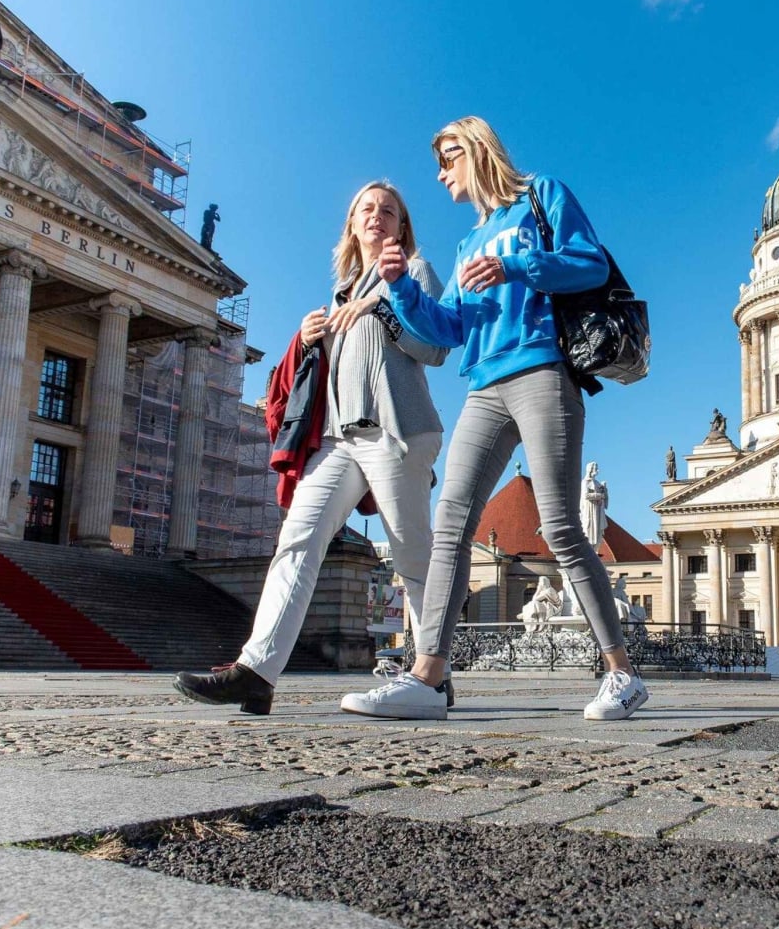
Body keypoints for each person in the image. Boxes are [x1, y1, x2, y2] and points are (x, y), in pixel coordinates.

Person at [342, 116, 648, 722]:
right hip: (483, 385)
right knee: (451, 522)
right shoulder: (465, 244)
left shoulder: (541, 196)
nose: (440, 173)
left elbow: (589, 264)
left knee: (560, 525)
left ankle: (622, 674)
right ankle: (428, 677)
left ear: (475, 150)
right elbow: (448, 328)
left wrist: (517, 267)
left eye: (447, 158)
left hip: (541, 370)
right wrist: (402, 289)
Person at [173, 181, 447, 714]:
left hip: (397, 431)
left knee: (413, 557)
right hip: (337, 441)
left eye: (389, 211)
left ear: (402, 227)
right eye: (366, 209)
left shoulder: (414, 273)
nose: (377, 216)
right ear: (352, 225)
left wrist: (380, 306)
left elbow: (433, 347)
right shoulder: (338, 293)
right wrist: (306, 338)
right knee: (295, 543)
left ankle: (433, 674)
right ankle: (256, 670)